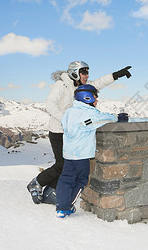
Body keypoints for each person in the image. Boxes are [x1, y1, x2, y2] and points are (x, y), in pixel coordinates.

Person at [27, 61, 131, 204]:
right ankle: (36, 182)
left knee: (67, 165)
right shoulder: (61, 85)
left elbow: (98, 84)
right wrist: (67, 120)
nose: (87, 76)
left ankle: (52, 191)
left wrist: (116, 75)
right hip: (58, 130)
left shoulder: (81, 87)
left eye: (88, 72)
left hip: (72, 132)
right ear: (75, 72)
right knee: (62, 164)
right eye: (84, 72)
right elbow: (50, 104)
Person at [55, 84, 117, 218]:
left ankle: (60, 206)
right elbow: (106, 118)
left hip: (68, 153)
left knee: (66, 179)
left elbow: (65, 125)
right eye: (95, 96)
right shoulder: (90, 113)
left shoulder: (69, 111)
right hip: (81, 154)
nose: (97, 100)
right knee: (81, 180)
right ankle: (66, 208)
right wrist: (118, 118)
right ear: (87, 97)